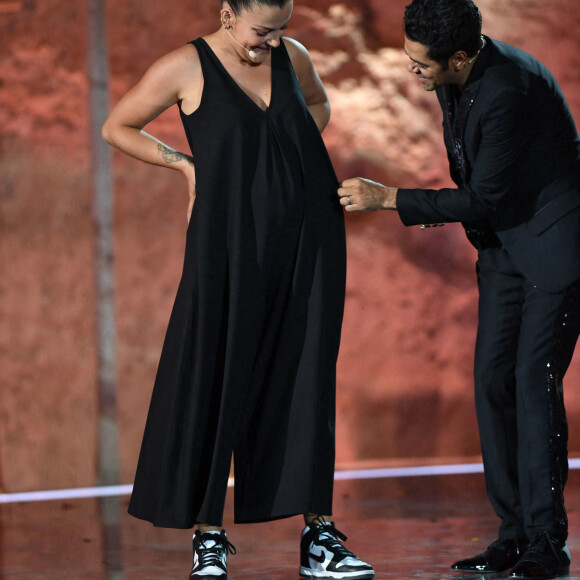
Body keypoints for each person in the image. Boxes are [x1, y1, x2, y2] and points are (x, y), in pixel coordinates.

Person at [101, 0, 375, 578]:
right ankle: (208, 535)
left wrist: (281, 157)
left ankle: (318, 536)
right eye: (261, 31)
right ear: (228, 15)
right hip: (226, 238)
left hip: (308, 232)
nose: (272, 42)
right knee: (217, 371)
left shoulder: (291, 55)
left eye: (282, 30)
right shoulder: (185, 65)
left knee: (304, 373)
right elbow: (116, 126)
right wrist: (187, 166)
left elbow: (317, 105)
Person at [338, 0, 580, 578]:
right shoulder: (454, 74)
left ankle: (547, 541)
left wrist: (390, 197)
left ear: (461, 56)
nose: (411, 70)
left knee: (532, 380)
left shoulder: (506, 90)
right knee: (492, 379)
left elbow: (487, 196)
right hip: (503, 249)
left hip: (553, 245)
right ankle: (513, 533)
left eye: (421, 64)